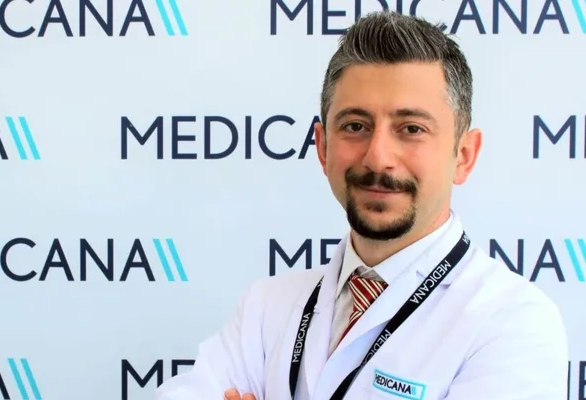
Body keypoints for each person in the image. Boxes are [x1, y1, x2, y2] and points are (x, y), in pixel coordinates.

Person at [155, 11, 569, 400]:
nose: (377, 157)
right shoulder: (267, 306)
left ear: (463, 155)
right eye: (355, 126)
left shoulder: (513, 322)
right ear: (323, 147)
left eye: (411, 129)